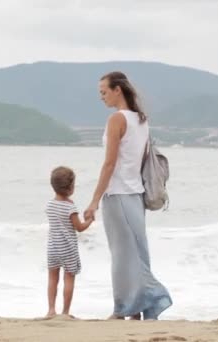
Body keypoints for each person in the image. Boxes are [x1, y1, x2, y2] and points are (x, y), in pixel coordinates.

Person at [83, 71, 172, 320]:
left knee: (122, 256)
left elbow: (109, 164)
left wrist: (94, 200)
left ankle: (127, 308)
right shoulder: (141, 119)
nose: (101, 97)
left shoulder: (117, 119)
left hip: (118, 194)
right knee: (137, 254)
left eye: (103, 91)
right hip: (135, 195)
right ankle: (135, 310)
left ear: (117, 90)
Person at [45, 166, 94, 319]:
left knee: (53, 278)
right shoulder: (70, 207)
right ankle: (65, 312)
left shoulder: (49, 205)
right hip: (68, 248)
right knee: (69, 278)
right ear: (71, 187)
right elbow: (79, 228)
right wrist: (89, 220)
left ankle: (51, 310)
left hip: (53, 247)